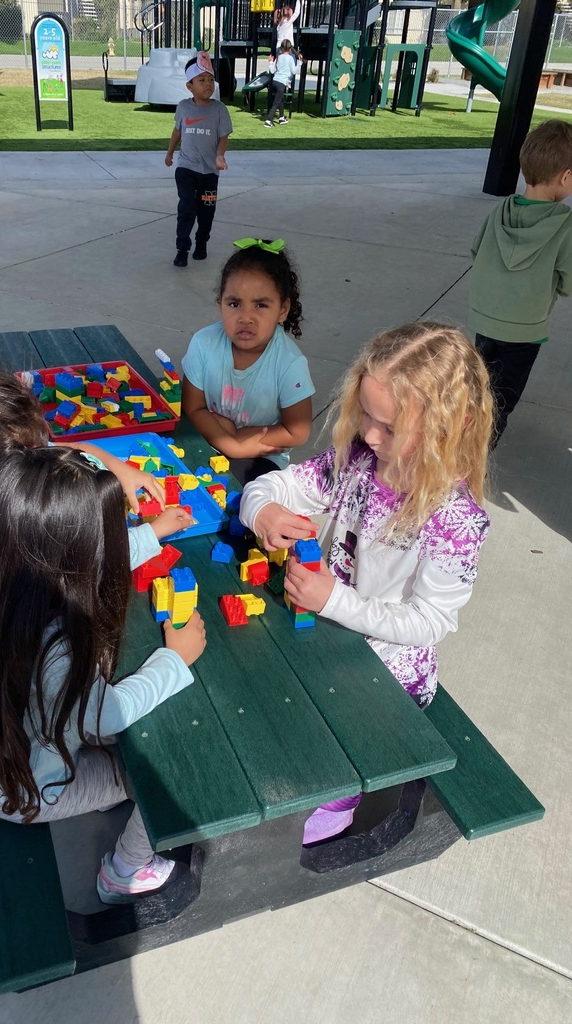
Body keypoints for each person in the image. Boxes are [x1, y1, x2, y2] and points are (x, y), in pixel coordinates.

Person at [239, 322, 493, 842]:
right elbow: (277, 484)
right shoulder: (358, 460)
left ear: (455, 424)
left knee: (310, 734)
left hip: (388, 675)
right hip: (329, 627)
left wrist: (335, 598)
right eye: (367, 418)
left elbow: (430, 622)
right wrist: (263, 511)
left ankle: (341, 793)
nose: (371, 437)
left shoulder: (455, 520)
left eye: (391, 428)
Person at [0, 444, 207, 903]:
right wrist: (174, 659)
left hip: (9, 753)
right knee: (166, 776)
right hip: (27, 790)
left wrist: (151, 534)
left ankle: (101, 788)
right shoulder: (57, 652)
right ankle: (127, 870)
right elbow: (107, 715)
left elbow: (80, 568)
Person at [0, 342, 185, 639]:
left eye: (40, 448)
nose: (44, 459)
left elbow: (75, 448)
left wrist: (121, 468)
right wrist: (149, 535)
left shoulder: (7, 460)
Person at [469, 118, 572, 445]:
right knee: (500, 401)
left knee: (477, 389)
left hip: (485, 320)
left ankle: (460, 438)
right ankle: (472, 464)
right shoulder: (565, 226)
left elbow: (477, 250)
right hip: (524, 331)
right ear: (565, 177)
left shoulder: (500, 211)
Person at [181, 237, 315, 485]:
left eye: (261, 305)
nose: (245, 317)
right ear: (219, 303)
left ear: (283, 310)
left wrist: (239, 441)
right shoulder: (203, 343)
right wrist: (230, 444)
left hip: (260, 459)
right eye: (234, 303)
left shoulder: (289, 363)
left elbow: (298, 431)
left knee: (242, 505)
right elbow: (192, 408)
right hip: (205, 437)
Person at [165, 51, 233, 267]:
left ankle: (201, 243)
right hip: (186, 168)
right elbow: (177, 132)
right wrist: (169, 153)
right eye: (201, 80)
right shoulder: (184, 107)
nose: (208, 85)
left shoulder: (220, 110)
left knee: (206, 213)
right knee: (186, 208)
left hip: (210, 173)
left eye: (211, 80)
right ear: (189, 86)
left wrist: (220, 155)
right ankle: (182, 248)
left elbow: (223, 136)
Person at [264, 39, 299, 128]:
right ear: (290, 48)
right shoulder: (290, 58)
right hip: (282, 83)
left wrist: (271, 62)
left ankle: (281, 117)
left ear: (282, 48)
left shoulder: (278, 57)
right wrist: (300, 62)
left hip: (275, 81)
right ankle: (269, 120)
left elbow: (272, 71)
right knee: (276, 102)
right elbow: (294, 71)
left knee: (281, 99)